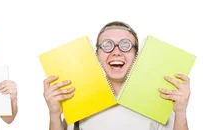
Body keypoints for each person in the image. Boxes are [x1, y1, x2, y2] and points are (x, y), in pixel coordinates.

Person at [43, 21, 191, 130]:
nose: (116, 52)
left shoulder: (158, 100)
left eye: (125, 45)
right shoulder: (78, 100)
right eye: (107, 45)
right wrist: (54, 114)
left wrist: (181, 112)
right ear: (96, 56)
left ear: (137, 56)